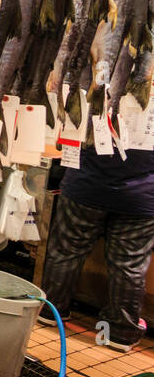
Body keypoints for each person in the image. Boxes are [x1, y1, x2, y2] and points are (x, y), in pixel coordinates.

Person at [40, 149, 153, 352]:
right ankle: (121, 332)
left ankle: (51, 310)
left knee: (67, 249)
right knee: (129, 264)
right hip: (141, 197)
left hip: (85, 185)